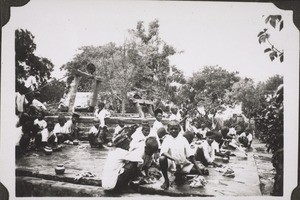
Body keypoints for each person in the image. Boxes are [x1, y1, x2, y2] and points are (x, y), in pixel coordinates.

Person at [159, 120, 204, 190]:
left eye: (176, 129)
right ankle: (166, 180)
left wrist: (198, 169)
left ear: (179, 129)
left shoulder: (183, 139)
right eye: (171, 129)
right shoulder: (167, 139)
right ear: (168, 130)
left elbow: (190, 155)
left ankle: (179, 175)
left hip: (182, 163)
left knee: (200, 170)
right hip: (171, 164)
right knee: (162, 159)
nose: (173, 131)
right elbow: (164, 152)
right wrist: (174, 159)